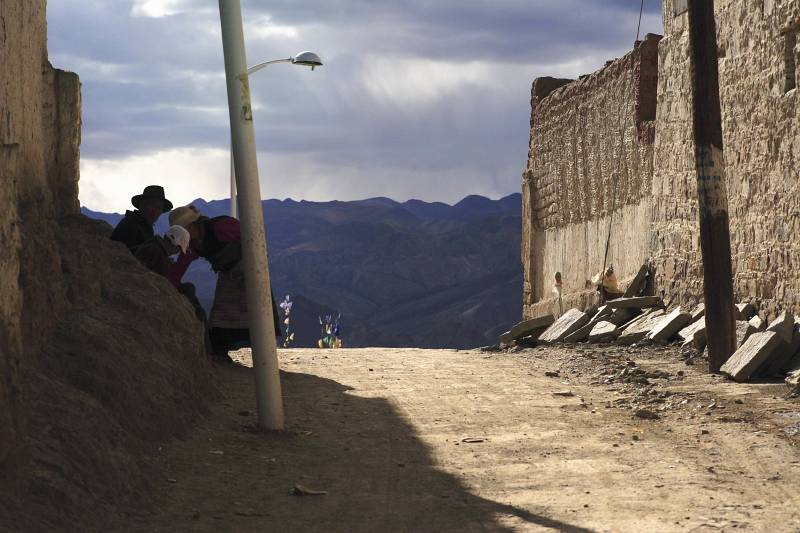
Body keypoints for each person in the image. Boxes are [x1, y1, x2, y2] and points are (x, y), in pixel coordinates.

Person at [169, 205, 281, 361]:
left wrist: (258, 267)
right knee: (221, 318)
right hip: (228, 277)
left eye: (185, 228)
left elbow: (253, 238)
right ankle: (221, 352)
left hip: (250, 272)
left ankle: (265, 356)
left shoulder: (221, 227)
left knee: (259, 313)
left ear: (194, 224)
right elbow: (180, 267)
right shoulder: (191, 244)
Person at [110, 185, 173, 253]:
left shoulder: (147, 229)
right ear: (142, 205)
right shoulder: (130, 223)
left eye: (159, 208)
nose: (155, 211)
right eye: (151, 204)